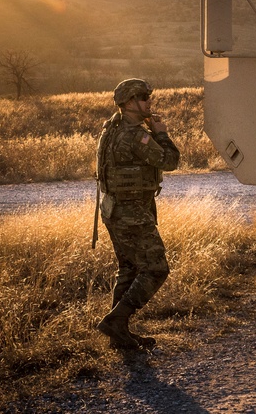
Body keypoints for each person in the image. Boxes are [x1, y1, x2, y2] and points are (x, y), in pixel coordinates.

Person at [94, 78, 180, 351]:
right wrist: (161, 133)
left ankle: (118, 337)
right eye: (144, 97)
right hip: (132, 213)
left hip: (113, 209)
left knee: (129, 269)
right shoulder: (136, 135)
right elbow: (170, 161)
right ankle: (116, 320)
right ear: (129, 102)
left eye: (148, 96)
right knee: (156, 269)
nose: (149, 102)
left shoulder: (110, 129)